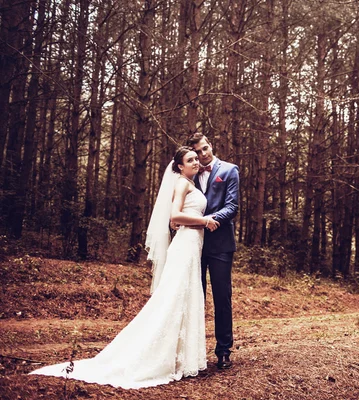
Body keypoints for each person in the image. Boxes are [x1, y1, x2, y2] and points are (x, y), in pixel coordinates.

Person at [29, 147, 219, 389]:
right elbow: (174, 217)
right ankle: (157, 356)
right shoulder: (182, 184)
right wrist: (204, 220)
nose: (195, 162)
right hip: (185, 246)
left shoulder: (190, 183)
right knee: (173, 299)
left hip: (193, 247)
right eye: (189, 160)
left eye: (195, 159)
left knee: (185, 299)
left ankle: (181, 359)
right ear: (180, 166)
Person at [186, 133, 239, 369]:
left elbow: (232, 206)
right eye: (197, 152)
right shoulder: (188, 174)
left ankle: (224, 351)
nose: (202, 154)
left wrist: (210, 219)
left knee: (222, 297)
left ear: (211, 146)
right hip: (193, 243)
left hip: (220, 244)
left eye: (205, 149)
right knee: (194, 297)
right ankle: (191, 353)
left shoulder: (229, 171)